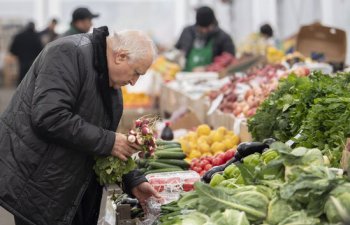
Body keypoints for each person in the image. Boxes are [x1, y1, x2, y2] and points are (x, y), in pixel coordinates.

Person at [0, 27, 160, 225]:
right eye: (136, 73)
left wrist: (133, 179)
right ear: (120, 56)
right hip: (39, 183)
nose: (134, 82)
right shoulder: (67, 53)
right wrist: (110, 141)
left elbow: (99, 135)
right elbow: (50, 117)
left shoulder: (110, 82)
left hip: (69, 183)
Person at [175, 6, 235, 72]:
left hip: (213, 78)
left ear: (213, 23)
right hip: (185, 77)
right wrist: (179, 56)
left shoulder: (223, 37)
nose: (204, 30)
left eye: (207, 27)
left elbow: (230, 60)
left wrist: (207, 68)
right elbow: (177, 49)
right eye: (201, 28)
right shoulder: (187, 32)